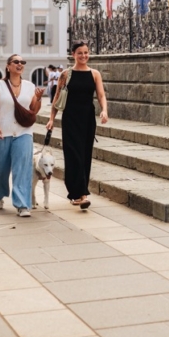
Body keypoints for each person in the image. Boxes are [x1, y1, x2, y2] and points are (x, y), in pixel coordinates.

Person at [46, 41, 108, 210]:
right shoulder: (66, 74)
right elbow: (57, 98)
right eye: (80, 53)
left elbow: (101, 95)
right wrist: (51, 118)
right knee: (73, 154)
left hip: (88, 118)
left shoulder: (95, 74)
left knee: (85, 154)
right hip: (71, 119)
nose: (83, 56)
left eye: (86, 52)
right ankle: (79, 193)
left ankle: (81, 193)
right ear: (73, 54)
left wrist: (104, 110)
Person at [0, 54, 46, 217]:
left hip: (23, 132)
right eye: (16, 62)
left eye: (22, 62)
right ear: (8, 66)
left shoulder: (29, 86)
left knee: (22, 169)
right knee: (0, 169)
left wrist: (39, 99)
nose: (20, 64)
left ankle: (22, 204)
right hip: (1, 132)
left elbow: (33, 110)